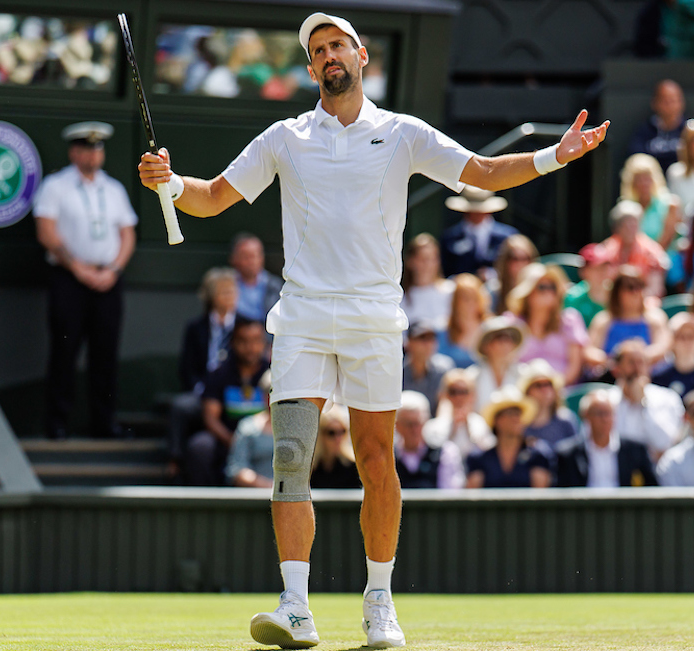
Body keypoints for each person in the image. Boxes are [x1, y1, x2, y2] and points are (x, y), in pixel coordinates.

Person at [137, 12, 610, 648]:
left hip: (374, 319)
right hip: (302, 316)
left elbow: (486, 173)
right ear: (310, 69)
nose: (330, 55)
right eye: (318, 50)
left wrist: (558, 155)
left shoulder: (404, 133)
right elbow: (213, 196)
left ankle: (379, 601)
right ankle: (296, 607)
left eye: (338, 45)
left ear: (361, 57)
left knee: (376, 459)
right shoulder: (285, 137)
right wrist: (171, 182)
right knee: (289, 458)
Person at [34, 121, 136, 440]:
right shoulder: (55, 186)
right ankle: (57, 423)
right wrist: (78, 268)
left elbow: (127, 233)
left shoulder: (114, 189)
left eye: (97, 148)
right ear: (74, 152)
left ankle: (104, 423)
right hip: (69, 278)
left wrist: (114, 270)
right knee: (65, 352)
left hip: (108, 279)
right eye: (86, 149)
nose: (93, 155)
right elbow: (46, 231)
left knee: (105, 354)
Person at [183, 317, 270, 486]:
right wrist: (236, 442)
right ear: (232, 342)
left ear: (264, 343)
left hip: (264, 438)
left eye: (256, 341)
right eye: (243, 341)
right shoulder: (219, 374)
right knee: (200, 446)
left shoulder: (275, 373)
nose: (250, 347)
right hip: (226, 439)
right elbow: (211, 419)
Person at [556, 389, 657, 487]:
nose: (605, 419)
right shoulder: (568, 455)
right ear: (586, 416)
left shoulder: (636, 451)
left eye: (609, 413)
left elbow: (652, 487)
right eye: (599, 413)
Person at [508, 263, 586, 384]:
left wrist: (551, 389)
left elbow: (574, 368)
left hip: (563, 392)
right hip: (521, 391)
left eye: (553, 287)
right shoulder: (512, 323)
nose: (549, 292)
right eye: (542, 287)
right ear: (528, 292)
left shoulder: (569, 320)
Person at [606, 339, 684, 459]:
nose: (637, 369)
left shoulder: (667, 398)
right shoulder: (606, 401)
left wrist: (643, 403)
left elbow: (666, 443)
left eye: (641, 362)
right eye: (631, 362)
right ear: (617, 369)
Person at [466, 387, 553, 488]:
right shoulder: (479, 458)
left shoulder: (538, 454)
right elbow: (473, 496)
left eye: (519, 414)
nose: (516, 419)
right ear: (496, 420)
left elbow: (540, 496)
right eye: (510, 414)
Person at [588, 266, 670, 364]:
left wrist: (635, 360)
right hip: (610, 375)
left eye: (639, 286)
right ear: (617, 292)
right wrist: (615, 362)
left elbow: (663, 346)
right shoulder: (603, 320)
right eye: (630, 287)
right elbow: (589, 350)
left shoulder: (655, 318)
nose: (636, 292)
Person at [179, 267, 238, 395]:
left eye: (232, 292)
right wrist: (200, 389)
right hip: (204, 389)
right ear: (211, 296)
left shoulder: (245, 325)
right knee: (183, 407)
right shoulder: (196, 327)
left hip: (236, 391)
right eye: (224, 293)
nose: (229, 297)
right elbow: (187, 367)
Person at [439, 186, 517, 278]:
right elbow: (445, 271)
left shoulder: (507, 237)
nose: (476, 214)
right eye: (472, 210)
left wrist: (492, 275)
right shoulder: (450, 238)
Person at [393, 391, 465, 489]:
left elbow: (450, 496)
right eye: (408, 424)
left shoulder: (445, 453)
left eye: (417, 423)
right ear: (397, 426)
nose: (414, 430)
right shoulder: (389, 456)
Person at [598, 201, 670, 295]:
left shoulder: (652, 251)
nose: (630, 229)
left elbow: (655, 290)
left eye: (633, 224)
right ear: (617, 227)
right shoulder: (607, 249)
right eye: (625, 224)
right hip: (613, 301)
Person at [423, 369, 493, 456]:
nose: (458, 397)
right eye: (453, 391)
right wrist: (453, 429)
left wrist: (468, 428)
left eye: (463, 392)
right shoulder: (434, 426)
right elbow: (434, 456)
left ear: (472, 395)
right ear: (444, 394)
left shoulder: (480, 423)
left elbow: (487, 454)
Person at [226, 371, 276, 488]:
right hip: (257, 497)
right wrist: (272, 488)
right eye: (269, 392)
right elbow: (237, 470)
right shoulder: (247, 427)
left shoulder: (299, 428)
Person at [620, 153, 681, 249]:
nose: (643, 183)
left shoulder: (670, 205)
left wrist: (648, 259)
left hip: (664, 261)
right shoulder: (625, 209)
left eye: (647, 178)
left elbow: (665, 242)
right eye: (639, 179)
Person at [400, 233, 455, 332]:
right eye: (423, 259)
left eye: (433, 259)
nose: (428, 265)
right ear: (410, 261)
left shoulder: (451, 291)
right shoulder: (400, 297)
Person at [469, 315, 526, 409]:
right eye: (500, 338)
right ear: (486, 345)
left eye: (510, 339)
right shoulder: (472, 377)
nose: (506, 344)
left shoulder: (523, 375)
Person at [627, 79, 685, 171]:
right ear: (654, 103)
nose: (669, 105)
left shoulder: (690, 130)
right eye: (665, 101)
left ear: (681, 103)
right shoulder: (644, 132)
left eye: (673, 101)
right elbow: (636, 160)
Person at [651, 313, 694, 397]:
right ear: (672, 341)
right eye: (682, 337)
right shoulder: (659, 375)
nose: (687, 342)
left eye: (691, 336)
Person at [519, 359, 577, 447]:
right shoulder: (519, 425)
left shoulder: (566, 421)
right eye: (538, 385)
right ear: (527, 392)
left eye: (548, 384)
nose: (545, 390)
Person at [439, 273, 492, 368]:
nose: (470, 303)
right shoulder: (443, 330)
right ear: (455, 302)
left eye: (474, 298)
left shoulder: (490, 329)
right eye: (465, 298)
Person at [402, 322, 454, 416]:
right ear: (409, 342)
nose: (428, 344)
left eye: (431, 339)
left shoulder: (444, 368)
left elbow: (446, 405)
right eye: (422, 338)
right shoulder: (398, 372)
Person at [229, 233, 282, 323]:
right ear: (234, 259)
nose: (251, 261)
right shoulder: (225, 284)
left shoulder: (275, 286)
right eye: (246, 257)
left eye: (254, 256)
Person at [563, 242, 614, 331]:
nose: (602, 272)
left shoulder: (618, 294)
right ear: (584, 271)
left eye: (605, 267)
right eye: (596, 268)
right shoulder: (573, 298)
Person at [309, 406, 363, 489]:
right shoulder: (310, 469)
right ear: (320, 435)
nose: (338, 438)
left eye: (342, 431)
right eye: (331, 432)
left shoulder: (355, 467)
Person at [489, 234, 539, 314]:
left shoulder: (540, 288)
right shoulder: (493, 290)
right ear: (505, 261)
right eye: (515, 258)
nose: (520, 264)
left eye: (525, 258)